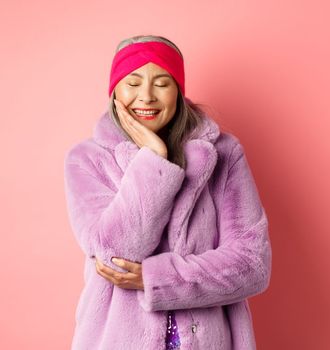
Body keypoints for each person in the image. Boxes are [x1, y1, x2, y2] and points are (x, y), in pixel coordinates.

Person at [63, 35, 272, 349]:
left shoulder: (224, 154)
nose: (146, 96)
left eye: (162, 83)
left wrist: (156, 279)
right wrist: (155, 159)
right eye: (132, 82)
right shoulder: (88, 159)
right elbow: (115, 255)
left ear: (178, 91)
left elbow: (252, 264)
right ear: (115, 91)